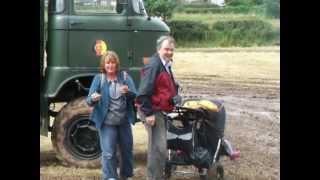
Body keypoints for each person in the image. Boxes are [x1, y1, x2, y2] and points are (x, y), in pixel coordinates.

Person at [86, 51, 137, 180]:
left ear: (116, 64)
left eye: (113, 62)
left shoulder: (124, 77)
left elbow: (135, 97)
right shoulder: (99, 78)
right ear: (104, 64)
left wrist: (128, 92)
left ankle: (126, 175)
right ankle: (110, 177)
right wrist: (93, 98)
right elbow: (89, 100)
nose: (110, 65)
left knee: (127, 151)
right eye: (108, 63)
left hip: (123, 121)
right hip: (107, 122)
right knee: (109, 153)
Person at [136, 35, 180, 180]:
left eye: (171, 50)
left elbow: (162, 87)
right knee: (158, 149)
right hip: (152, 111)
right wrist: (149, 114)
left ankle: (157, 175)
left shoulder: (165, 64)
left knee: (159, 147)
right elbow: (143, 92)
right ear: (159, 49)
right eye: (166, 49)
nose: (169, 52)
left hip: (160, 110)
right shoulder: (154, 65)